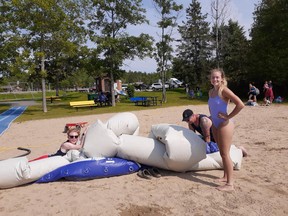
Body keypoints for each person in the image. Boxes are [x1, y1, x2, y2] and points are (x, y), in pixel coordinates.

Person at [208, 68, 244, 191]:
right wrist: (211, 118)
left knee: (225, 153)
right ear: (210, 79)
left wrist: (228, 116)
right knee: (221, 152)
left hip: (225, 124)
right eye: (213, 77)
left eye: (217, 77)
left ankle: (230, 184)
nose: (215, 79)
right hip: (215, 123)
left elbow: (240, 104)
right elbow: (211, 107)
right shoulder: (211, 92)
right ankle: (225, 176)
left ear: (222, 79)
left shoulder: (224, 91)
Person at [182, 108, 248, 156]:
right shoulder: (191, 123)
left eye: (188, 119)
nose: (187, 121)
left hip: (216, 138)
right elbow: (193, 136)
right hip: (206, 137)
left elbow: (207, 137)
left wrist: (207, 151)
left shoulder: (204, 121)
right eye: (186, 120)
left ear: (193, 115)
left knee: (221, 151)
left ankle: (239, 149)